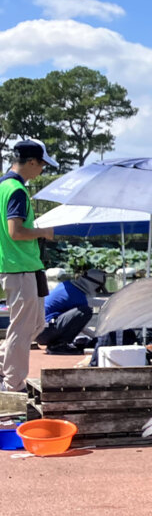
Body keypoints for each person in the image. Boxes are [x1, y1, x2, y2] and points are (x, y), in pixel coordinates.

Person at [0, 139, 57, 392]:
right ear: (32, 162)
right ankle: (13, 386)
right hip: (19, 267)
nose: (42, 170)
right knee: (22, 331)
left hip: (22, 267)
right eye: (42, 165)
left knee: (35, 326)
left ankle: (5, 366)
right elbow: (16, 231)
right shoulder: (17, 190)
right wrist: (43, 231)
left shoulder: (3, 186)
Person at [36, 267, 107, 355]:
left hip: (38, 331)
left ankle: (57, 344)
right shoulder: (79, 297)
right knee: (85, 311)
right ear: (94, 286)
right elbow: (81, 322)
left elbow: (75, 324)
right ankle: (59, 346)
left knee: (83, 311)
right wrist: (98, 338)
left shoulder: (67, 286)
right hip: (45, 332)